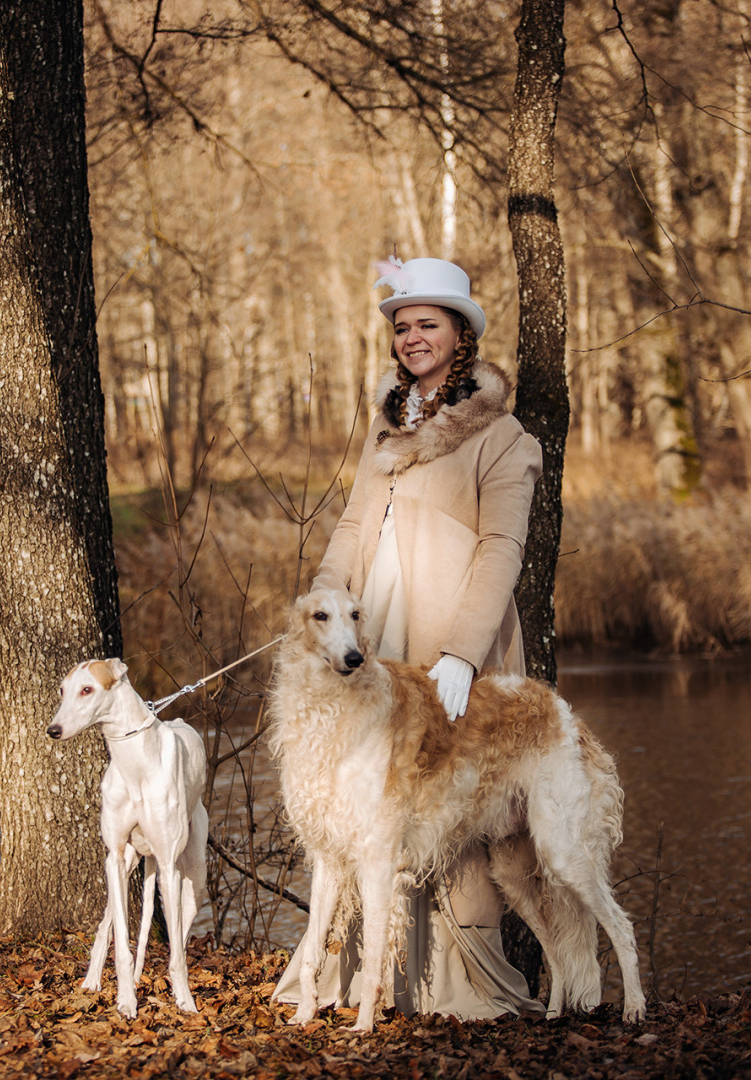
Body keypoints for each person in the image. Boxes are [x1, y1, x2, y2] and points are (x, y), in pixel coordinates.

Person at [273, 256, 544, 1020]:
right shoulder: (388, 428)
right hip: (373, 642)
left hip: (450, 647)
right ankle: (365, 979)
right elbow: (357, 525)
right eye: (401, 327)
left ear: (461, 333)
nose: (412, 337)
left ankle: (455, 989)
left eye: (427, 323)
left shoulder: (503, 437)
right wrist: (325, 604)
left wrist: (461, 651)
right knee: (364, 805)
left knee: (444, 809)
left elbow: (501, 549)